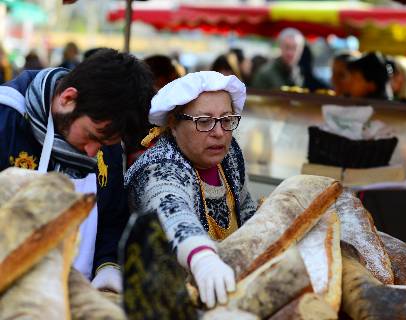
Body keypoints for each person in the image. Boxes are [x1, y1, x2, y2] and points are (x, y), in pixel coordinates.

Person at [0, 48, 155, 292]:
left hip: (78, 289)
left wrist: (108, 266)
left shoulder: (107, 136)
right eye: (91, 137)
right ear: (67, 99)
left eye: (104, 144)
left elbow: (112, 216)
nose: (93, 153)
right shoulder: (6, 118)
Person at [125, 71, 257, 309]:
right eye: (204, 121)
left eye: (226, 120)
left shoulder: (230, 154)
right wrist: (203, 258)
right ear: (173, 124)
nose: (219, 132)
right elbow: (170, 209)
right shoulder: (159, 166)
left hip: (225, 288)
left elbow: (246, 207)